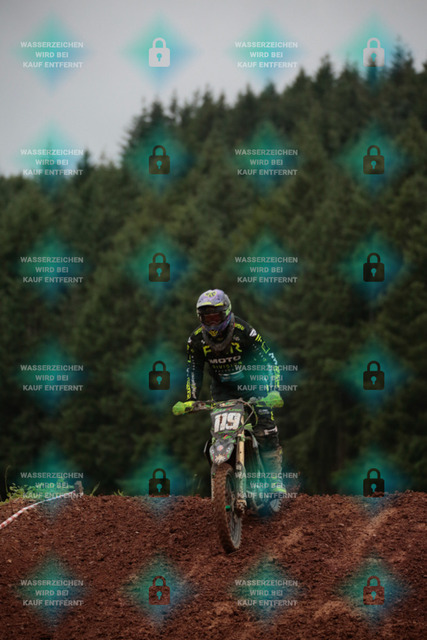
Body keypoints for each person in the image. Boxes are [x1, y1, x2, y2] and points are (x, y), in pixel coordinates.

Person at [172, 289, 286, 493]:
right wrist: (191, 399)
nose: (212, 322)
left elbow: (269, 360)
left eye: (216, 317)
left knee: (265, 429)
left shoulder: (244, 331)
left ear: (226, 313)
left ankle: (274, 479)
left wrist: (274, 390)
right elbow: (193, 369)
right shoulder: (196, 340)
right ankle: (227, 480)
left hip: (254, 385)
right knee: (222, 436)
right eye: (207, 318)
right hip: (223, 390)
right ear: (200, 318)